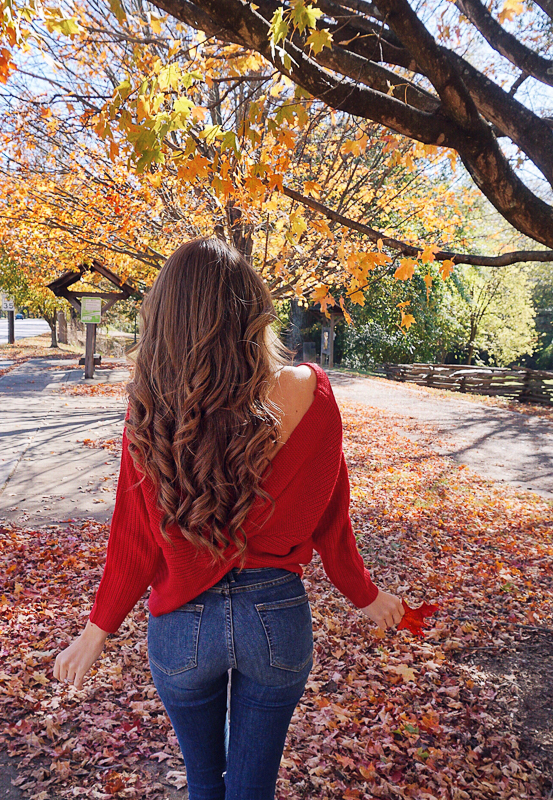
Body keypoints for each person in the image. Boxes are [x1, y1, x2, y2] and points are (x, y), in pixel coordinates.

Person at [53, 236, 404, 800]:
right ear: (254, 310)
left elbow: (134, 538)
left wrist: (96, 633)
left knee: (202, 781)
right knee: (251, 787)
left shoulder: (150, 409)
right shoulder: (311, 390)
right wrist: (364, 594)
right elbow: (332, 511)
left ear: (166, 317)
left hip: (181, 627)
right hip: (278, 619)